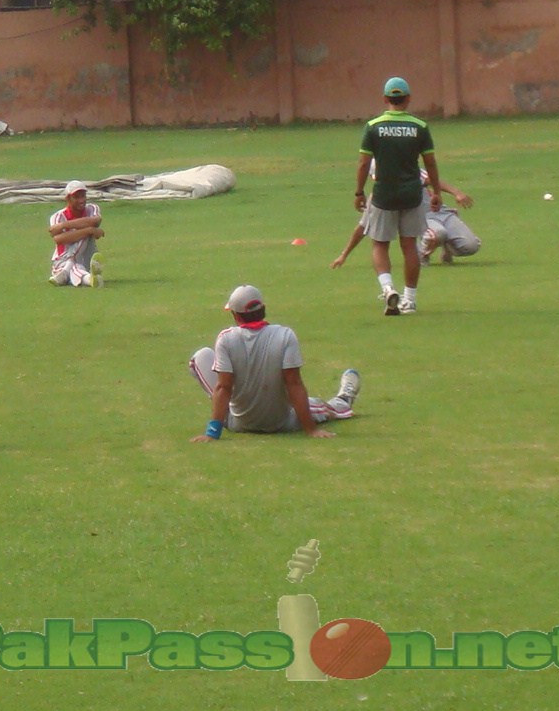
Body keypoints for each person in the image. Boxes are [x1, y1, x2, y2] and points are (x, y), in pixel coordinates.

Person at [189, 285, 361, 441]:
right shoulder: (285, 335)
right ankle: (344, 399)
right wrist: (311, 430)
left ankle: (225, 413)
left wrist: (212, 433)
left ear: (235, 315)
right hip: (282, 422)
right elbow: (293, 384)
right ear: (263, 309)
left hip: (238, 422)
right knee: (319, 406)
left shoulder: (226, 339)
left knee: (200, 357)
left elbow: (223, 387)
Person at [355, 76, 440, 315]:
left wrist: (359, 192)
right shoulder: (420, 127)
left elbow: (364, 164)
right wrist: (435, 192)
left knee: (380, 244)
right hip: (412, 194)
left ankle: (388, 288)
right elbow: (430, 163)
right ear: (408, 99)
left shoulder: (373, 126)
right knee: (409, 245)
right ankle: (410, 300)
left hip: (384, 194)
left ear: (385, 99)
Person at [329, 173, 474, 269]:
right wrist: (344, 255)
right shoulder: (379, 198)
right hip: (423, 220)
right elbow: (362, 227)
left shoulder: (410, 169)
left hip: (442, 213)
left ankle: (447, 248)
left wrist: (457, 193)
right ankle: (422, 255)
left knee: (471, 246)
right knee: (436, 234)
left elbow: (431, 178)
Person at [48, 180, 106, 287]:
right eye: (76, 197)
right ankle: (89, 279)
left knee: (76, 267)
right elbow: (58, 239)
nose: (81, 200)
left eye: (83, 196)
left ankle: (65, 273)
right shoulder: (58, 216)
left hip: (85, 257)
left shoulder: (92, 208)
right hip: (62, 259)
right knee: (76, 268)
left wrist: (63, 226)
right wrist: (89, 230)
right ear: (68, 199)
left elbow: (95, 221)